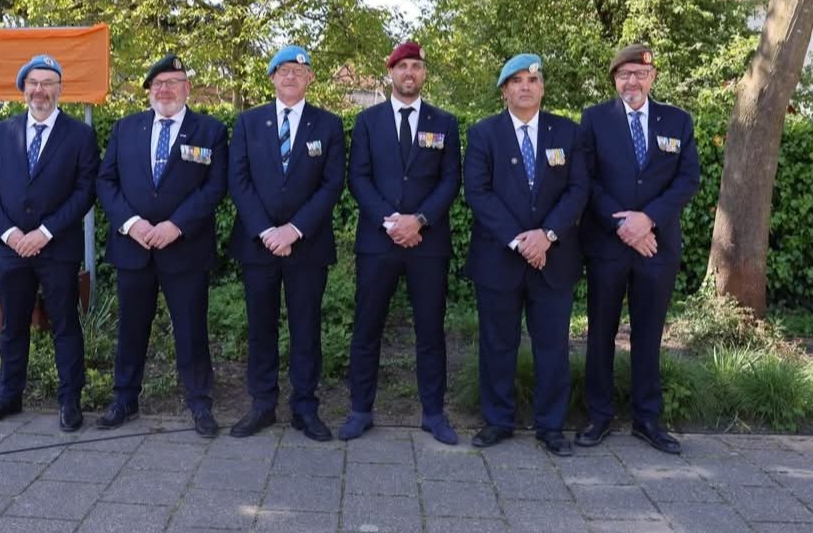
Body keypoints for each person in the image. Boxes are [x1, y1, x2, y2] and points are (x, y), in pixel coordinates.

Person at [95, 54, 228, 437]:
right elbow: (106, 182)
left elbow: (214, 187)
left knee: (191, 330)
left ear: (187, 88)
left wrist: (176, 226)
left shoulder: (210, 131)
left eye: (173, 82)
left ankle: (200, 404)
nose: (165, 89)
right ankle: (124, 399)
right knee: (131, 328)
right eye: (158, 84)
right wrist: (132, 224)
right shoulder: (125, 129)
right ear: (149, 92)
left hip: (184, 249)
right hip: (134, 248)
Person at [577, 44, 700, 455]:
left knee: (649, 334)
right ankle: (599, 415)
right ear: (614, 79)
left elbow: (687, 179)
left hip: (655, 246)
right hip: (608, 246)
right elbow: (586, 181)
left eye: (639, 74)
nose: (632, 81)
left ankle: (648, 418)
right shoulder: (594, 120)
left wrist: (647, 220)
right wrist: (623, 224)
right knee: (601, 333)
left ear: (653, 77)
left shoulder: (677, 121)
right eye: (624, 74)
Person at [463, 53, 588, 454]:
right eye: (515, 81)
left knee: (552, 345)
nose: (524, 86)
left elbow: (577, 190)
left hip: (554, 258)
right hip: (500, 259)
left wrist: (546, 236)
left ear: (542, 87)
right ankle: (497, 421)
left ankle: (551, 426)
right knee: (497, 344)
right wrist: (521, 240)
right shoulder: (483, 134)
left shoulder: (568, 133)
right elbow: (478, 193)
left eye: (532, 79)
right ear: (504, 91)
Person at [339, 41, 461, 445]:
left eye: (417, 66)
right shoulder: (367, 121)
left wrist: (420, 220)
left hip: (428, 243)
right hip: (379, 241)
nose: (410, 72)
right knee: (367, 328)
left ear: (424, 74)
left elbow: (450, 180)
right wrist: (390, 221)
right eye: (402, 66)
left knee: (430, 330)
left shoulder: (444, 123)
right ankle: (360, 410)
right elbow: (358, 177)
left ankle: (434, 413)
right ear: (390, 72)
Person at [227, 45, 346, 442]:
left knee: (306, 327)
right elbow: (238, 182)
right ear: (272, 78)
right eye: (283, 70)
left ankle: (304, 407)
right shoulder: (248, 122)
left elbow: (332, 185)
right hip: (258, 245)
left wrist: (293, 230)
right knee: (261, 327)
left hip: (307, 246)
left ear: (310, 78)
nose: (291, 76)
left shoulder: (328, 125)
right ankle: (262, 404)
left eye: (299, 69)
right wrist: (266, 231)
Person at [0, 54, 99, 432]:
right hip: (12, 248)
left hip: (57, 248)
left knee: (65, 326)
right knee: (13, 327)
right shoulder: (3, 131)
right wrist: (10, 234)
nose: (40, 90)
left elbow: (85, 191)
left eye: (48, 83)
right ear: (23, 89)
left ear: (60, 89)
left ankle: (69, 402)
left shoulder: (80, 135)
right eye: (34, 83)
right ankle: (9, 397)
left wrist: (44, 233)